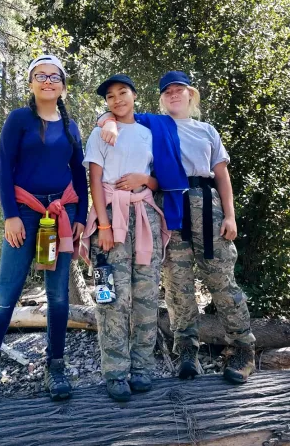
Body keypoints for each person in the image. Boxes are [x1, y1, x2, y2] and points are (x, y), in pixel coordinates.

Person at [98, 70, 256, 385]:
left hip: (206, 206)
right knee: (176, 284)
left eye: (179, 89)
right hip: (168, 208)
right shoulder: (151, 124)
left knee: (221, 280)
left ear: (190, 94)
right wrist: (108, 121)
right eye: (167, 90)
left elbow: (221, 175)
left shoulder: (207, 130)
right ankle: (187, 351)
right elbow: (115, 111)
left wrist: (230, 215)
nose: (173, 94)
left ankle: (242, 350)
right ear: (161, 97)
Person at [0, 54, 88, 414]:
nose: (48, 81)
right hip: (24, 214)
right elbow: (3, 167)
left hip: (62, 213)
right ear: (31, 83)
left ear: (63, 84)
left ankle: (55, 367)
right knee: (5, 296)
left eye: (54, 76)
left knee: (58, 296)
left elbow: (79, 175)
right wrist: (10, 216)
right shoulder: (19, 120)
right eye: (40, 76)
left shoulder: (72, 126)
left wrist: (81, 216)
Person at [80, 74, 175, 402]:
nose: (117, 99)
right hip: (110, 219)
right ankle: (115, 371)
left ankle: (142, 368)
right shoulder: (100, 133)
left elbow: (161, 179)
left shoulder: (149, 133)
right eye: (110, 96)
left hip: (144, 216)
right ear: (106, 103)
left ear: (135, 95)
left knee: (146, 295)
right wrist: (103, 226)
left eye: (123, 92)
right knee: (109, 297)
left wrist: (145, 179)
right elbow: (94, 179)